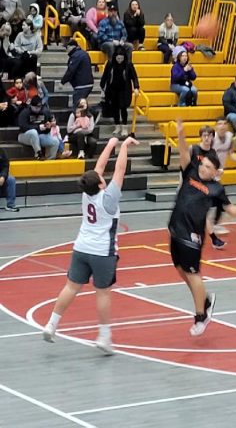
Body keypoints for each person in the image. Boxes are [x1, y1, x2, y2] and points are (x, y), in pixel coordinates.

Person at [42, 136, 139, 355]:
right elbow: (120, 170)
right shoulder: (109, 198)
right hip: (102, 251)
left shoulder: (87, 194)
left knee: (71, 287)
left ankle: (51, 324)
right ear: (101, 183)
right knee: (102, 293)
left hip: (81, 247)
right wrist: (123, 146)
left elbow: (99, 167)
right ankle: (104, 336)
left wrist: (111, 143)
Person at [168, 119, 236, 336]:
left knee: (193, 273)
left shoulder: (216, 189)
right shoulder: (190, 171)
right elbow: (182, 152)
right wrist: (181, 133)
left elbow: (230, 210)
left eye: (208, 166)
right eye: (203, 164)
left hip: (192, 235)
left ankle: (201, 316)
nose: (203, 167)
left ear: (215, 171)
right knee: (181, 270)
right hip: (175, 230)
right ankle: (205, 299)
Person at [100, 46, 139, 137]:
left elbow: (134, 77)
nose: (119, 60)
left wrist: (136, 87)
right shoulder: (110, 64)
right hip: (112, 89)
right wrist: (102, 87)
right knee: (115, 109)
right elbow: (105, 76)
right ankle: (117, 126)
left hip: (124, 90)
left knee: (123, 108)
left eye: (121, 58)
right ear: (115, 57)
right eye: (118, 58)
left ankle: (124, 127)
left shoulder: (128, 64)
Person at [17, 95, 59, 160]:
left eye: (39, 107)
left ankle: (50, 160)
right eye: (35, 108)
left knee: (55, 141)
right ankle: (38, 154)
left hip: (39, 136)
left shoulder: (44, 112)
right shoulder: (25, 113)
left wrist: (48, 127)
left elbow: (47, 129)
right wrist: (37, 127)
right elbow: (23, 127)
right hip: (24, 135)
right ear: (31, 106)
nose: (37, 109)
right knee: (33, 132)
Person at [61, 39, 94, 109]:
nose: (66, 50)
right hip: (86, 83)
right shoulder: (83, 53)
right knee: (80, 104)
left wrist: (62, 82)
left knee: (76, 106)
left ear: (71, 46)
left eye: (67, 47)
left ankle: (93, 113)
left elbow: (71, 71)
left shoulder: (76, 56)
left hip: (82, 85)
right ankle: (92, 113)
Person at [0, 147, 19, 212]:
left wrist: (3, 176)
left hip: (1, 174)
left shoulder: (1, 150)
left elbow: (5, 166)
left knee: (11, 179)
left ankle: (10, 205)